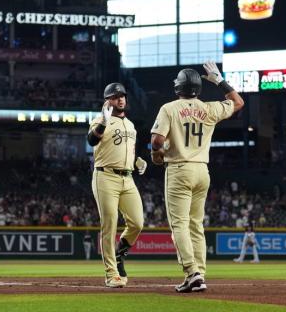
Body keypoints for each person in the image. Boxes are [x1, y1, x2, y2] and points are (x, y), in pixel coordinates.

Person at [150, 61, 244, 293]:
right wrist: (219, 81)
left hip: (179, 169)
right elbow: (238, 102)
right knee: (196, 225)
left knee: (179, 224)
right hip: (202, 170)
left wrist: (157, 155)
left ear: (177, 87)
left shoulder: (169, 108)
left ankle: (192, 272)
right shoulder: (209, 108)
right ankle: (199, 274)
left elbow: (156, 141)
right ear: (198, 88)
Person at [87, 82, 147, 288]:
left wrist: (137, 161)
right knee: (109, 224)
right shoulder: (99, 120)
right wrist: (103, 121)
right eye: (115, 96)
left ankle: (120, 254)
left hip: (127, 178)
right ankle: (111, 273)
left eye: (122, 95)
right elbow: (91, 140)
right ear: (107, 101)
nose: (120, 99)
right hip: (105, 176)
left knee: (137, 223)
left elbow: (126, 150)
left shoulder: (130, 125)